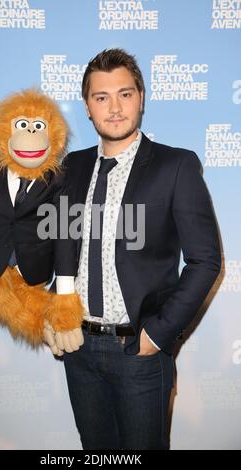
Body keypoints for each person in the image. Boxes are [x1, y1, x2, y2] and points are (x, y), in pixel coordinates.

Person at [48, 48, 221, 450]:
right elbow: (57, 246)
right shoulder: (68, 168)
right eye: (101, 97)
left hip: (139, 351)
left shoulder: (175, 166)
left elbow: (205, 260)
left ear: (141, 97)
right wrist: (50, 309)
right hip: (79, 349)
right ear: (87, 107)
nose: (114, 108)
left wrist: (158, 335)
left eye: (125, 94)